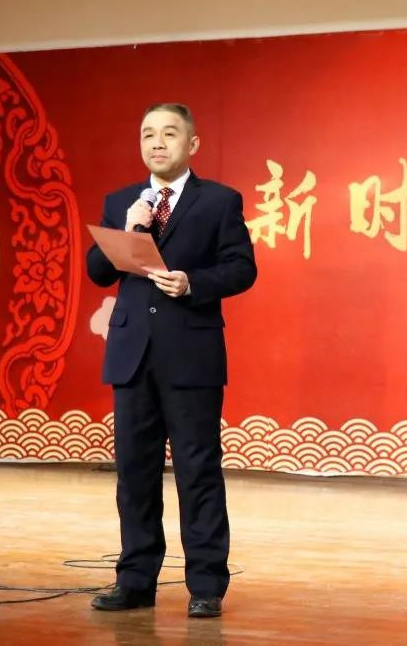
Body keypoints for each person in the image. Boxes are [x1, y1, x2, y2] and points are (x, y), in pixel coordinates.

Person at [86, 103, 257, 618]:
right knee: (134, 473)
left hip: (191, 355)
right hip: (132, 355)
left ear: (192, 144)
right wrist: (130, 229)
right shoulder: (122, 202)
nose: (157, 143)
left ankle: (206, 585)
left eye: (168, 134)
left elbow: (242, 268)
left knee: (197, 471)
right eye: (147, 134)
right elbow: (98, 270)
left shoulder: (219, 201)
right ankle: (135, 580)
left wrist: (192, 283)